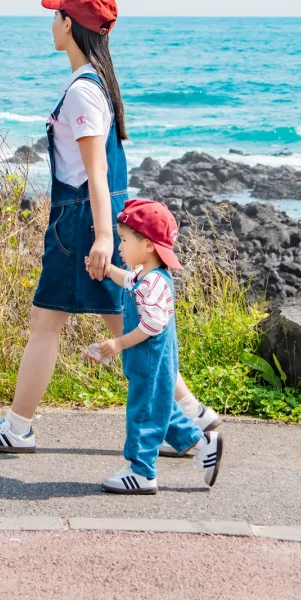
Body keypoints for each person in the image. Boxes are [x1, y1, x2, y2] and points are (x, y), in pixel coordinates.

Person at [0, 0, 217, 456]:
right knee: (123, 324)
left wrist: (101, 238)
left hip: (81, 226)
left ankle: (19, 428)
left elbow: (95, 171)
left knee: (48, 320)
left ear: (70, 26)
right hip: (91, 222)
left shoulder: (82, 92)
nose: (52, 21)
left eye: (57, 14)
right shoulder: (98, 83)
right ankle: (190, 420)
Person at [86, 198, 223, 492]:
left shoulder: (152, 283)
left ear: (147, 245)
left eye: (123, 240)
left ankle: (142, 472)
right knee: (160, 410)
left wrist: (117, 343)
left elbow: (150, 326)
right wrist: (107, 269)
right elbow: (128, 280)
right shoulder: (147, 275)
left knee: (143, 415)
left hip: (150, 363)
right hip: (148, 364)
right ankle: (202, 443)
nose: (119, 246)